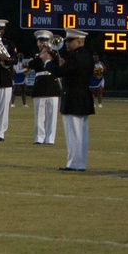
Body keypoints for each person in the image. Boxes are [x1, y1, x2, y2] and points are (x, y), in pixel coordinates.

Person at [54, 29, 93, 171]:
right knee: (82, 134)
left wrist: (47, 63)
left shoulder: (74, 57)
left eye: (69, 41)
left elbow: (59, 72)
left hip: (73, 97)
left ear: (78, 41)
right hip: (84, 96)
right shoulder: (88, 55)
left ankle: (74, 163)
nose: (66, 44)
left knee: (73, 134)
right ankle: (80, 162)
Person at [29, 31, 61, 145]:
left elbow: (59, 63)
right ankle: (39, 138)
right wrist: (41, 55)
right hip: (40, 85)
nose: (44, 43)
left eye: (46, 41)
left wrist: (52, 52)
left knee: (52, 116)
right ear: (37, 42)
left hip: (52, 85)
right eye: (41, 41)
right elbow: (32, 65)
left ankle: (50, 139)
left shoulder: (54, 54)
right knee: (39, 114)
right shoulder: (35, 56)